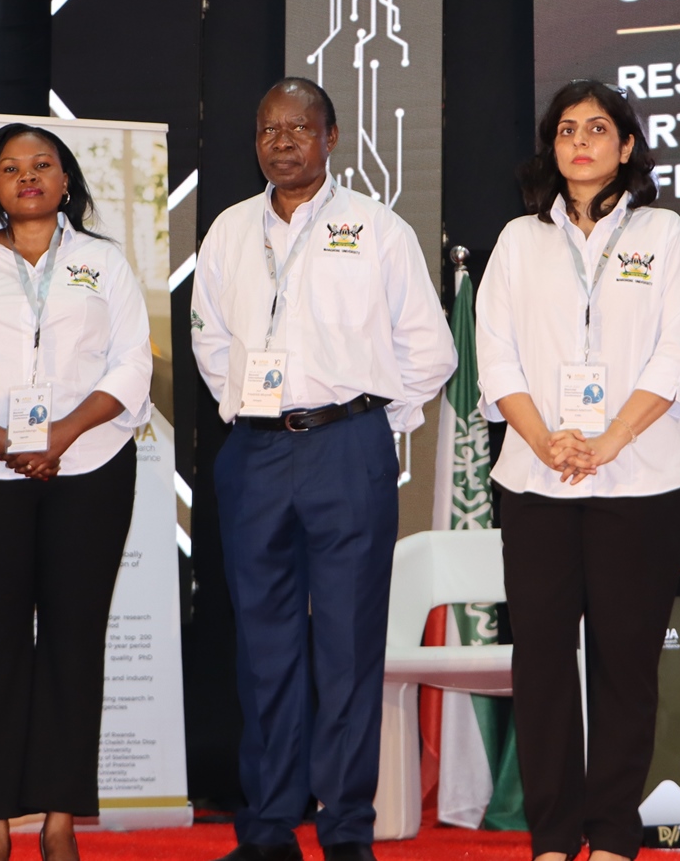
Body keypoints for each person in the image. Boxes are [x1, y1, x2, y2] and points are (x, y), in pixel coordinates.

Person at [191, 77, 455, 861]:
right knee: (263, 649)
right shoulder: (230, 231)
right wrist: (247, 408)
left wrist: (376, 423)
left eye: (298, 128)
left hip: (348, 450)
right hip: (256, 453)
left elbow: (431, 349)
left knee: (346, 645)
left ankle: (345, 829)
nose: (281, 141)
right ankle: (269, 828)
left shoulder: (377, 229)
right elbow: (209, 338)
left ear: (330, 137)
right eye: (268, 128)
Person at [0, 123, 152, 861]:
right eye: (11, 167)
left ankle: (59, 820)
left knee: (75, 644)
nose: (28, 177)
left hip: (91, 469)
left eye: (42, 164)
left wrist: (61, 435)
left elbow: (131, 367)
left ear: (66, 179)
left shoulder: (102, 263)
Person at [476, 79, 680, 861]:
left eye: (598, 128)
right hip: (536, 480)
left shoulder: (665, 234)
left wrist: (605, 441)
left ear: (626, 146)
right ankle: (549, 836)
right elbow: (496, 356)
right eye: (567, 129)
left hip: (640, 479)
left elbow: (677, 355)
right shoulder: (517, 240)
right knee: (539, 660)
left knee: (624, 661)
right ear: (553, 146)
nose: (581, 141)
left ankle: (611, 835)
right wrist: (547, 441)